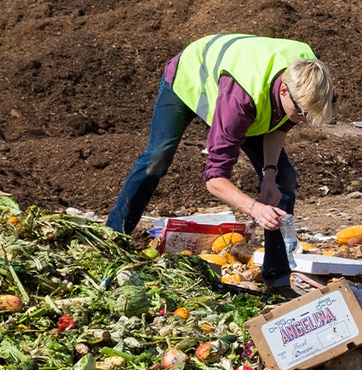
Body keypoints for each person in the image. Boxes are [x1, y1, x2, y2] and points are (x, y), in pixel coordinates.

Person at [106, 34, 334, 295]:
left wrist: (269, 175)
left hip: (251, 91)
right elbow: (215, 179)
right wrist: (254, 208)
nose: (303, 120)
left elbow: (279, 125)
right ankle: (112, 238)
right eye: (302, 113)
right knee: (158, 157)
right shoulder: (239, 101)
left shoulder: (307, 78)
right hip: (190, 78)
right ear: (284, 91)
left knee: (285, 180)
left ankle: (278, 278)